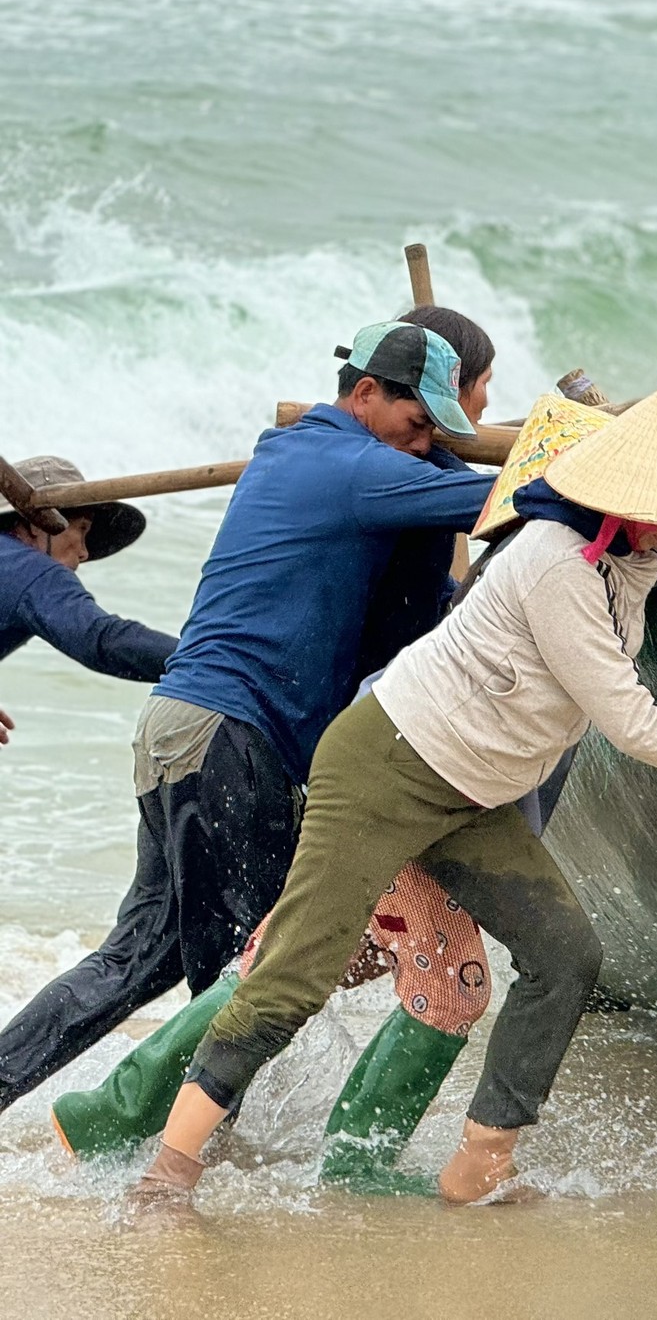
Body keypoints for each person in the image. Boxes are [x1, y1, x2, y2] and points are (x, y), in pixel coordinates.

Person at [133, 312, 657, 1207]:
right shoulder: (558, 560)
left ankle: (479, 1167)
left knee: (567, 954)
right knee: (299, 968)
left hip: (476, 794)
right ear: (636, 495)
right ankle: (168, 1169)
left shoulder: (646, 538)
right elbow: (629, 720)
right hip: (385, 767)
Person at [0, 319, 496, 1114]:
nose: (422, 441)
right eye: (417, 422)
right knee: (253, 966)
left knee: (139, 961)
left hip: (177, 730)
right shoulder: (353, 465)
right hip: (231, 738)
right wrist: (568, 456)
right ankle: (166, 1148)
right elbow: (506, 499)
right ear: (364, 394)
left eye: (438, 429)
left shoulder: (300, 453)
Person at [1, 456, 176, 696]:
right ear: (36, 524)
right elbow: (102, 641)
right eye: (81, 530)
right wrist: (213, 662)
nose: (84, 553)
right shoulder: (27, 569)